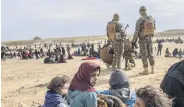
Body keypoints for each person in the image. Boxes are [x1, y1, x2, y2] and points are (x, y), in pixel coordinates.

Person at [132, 6, 155, 75]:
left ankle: (146, 70)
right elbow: (154, 28)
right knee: (150, 53)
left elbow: (136, 31)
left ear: (141, 12)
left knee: (143, 54)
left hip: (142, 39)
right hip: (150, 38)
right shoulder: (151, 18)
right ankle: (152, 69)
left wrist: (133, 41)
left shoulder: (140, 20)